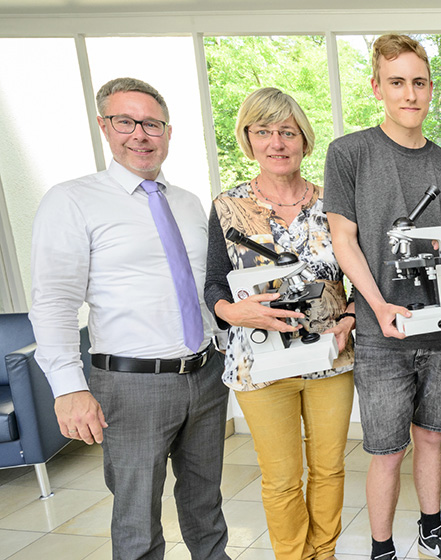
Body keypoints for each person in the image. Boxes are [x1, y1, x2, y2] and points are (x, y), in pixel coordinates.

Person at [28, 77, 229, 560]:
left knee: (206, 506)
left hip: (205, 375)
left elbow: (203, 287)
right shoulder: (72, 199)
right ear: (104, 126)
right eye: (126, 121)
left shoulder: (187, 202)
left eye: (152, 124)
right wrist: (68, 387)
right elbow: (54, 299)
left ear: (167, 132)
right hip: (130, 385)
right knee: (137, 518)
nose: (140, 133)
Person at [323, 34, 441, 560]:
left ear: (430, 89)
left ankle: (431, 531)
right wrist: (378, 305)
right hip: (380, 334)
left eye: (418, 82)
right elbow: (344, 239)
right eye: (397, 83)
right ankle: (382, 548)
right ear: (377, 88)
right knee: (387, 452)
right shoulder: (349, 154)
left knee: (431, 438)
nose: (409, 94)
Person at [203, 87, 356, 560]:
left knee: (329, 468)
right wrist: (230, 311)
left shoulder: (335, 203)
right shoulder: (228, 206)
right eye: (264, 131)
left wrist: (350, 316)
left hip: (331, 357)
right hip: (259, 364)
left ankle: (323, 554)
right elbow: (213, 283)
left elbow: (361, 275)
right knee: (282, 477)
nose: (277, 142)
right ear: (248, 139)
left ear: (304, 140)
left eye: (287, 131)